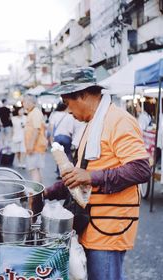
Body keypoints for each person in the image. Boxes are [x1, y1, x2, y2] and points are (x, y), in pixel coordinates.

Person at [44, 67, 151, 280]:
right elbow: (80, 174)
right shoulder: (94, 123)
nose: (68, 110)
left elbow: (141, 169)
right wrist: (47, 192)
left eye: (67, 102)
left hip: (109, 226)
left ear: (82, 94)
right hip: (92, 223)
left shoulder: (118, 120)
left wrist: (91, 177)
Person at [22, 94, 47, 183]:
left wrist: (30, 146)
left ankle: (36, 193)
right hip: (36, 147)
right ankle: (40, 193)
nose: (23, 104)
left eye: (24, 102)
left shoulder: (35, 112)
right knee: (36, 170)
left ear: (30, 102)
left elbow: (37, 130)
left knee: (34, 170)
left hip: (35, 147)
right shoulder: (32, 113)